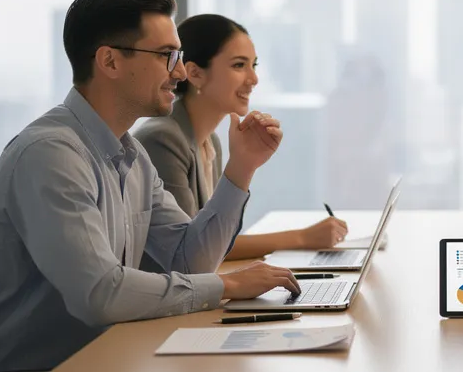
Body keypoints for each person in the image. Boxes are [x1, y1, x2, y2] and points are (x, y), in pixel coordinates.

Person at [0, 0, 299, 372]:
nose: (179, 70)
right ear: (109, 61)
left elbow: (187, 257)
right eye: (166, 55)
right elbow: (100, 295)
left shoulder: (129, 155)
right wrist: (230, 286)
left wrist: (241, 170)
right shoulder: (51, 155)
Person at [135, 13, 347, 258]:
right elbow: (192, 249)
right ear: (194, 74)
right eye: (239, 65)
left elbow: (213, 239)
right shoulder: (163, 140)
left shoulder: (209, 140)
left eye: (253, 65)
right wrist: (302, 238)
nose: (254, 79)